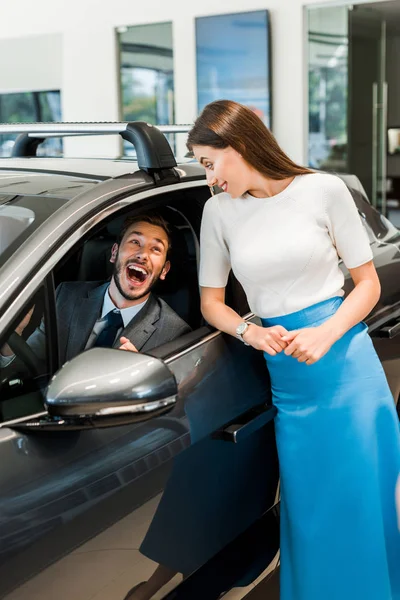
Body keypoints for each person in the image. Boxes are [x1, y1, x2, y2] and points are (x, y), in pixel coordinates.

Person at [187, 99, 400, 600]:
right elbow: (210, 304)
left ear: (236, 147)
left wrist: (325, 333)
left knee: (364, 505)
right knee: (311, 512)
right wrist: (251, 333)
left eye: (209, 163)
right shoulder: (217, 212)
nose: (210, 178)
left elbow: (366, 285)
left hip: (348, 370)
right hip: (291, 383)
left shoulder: (324, 190)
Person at [0, 213, 191, 368]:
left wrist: (139, 377)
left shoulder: (174, 334)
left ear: (164, 270)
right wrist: (15, 330)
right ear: (114, 253)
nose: (143, 255)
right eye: (135, 242)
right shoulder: (66, 296)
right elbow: (29, 369)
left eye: (156, 249)